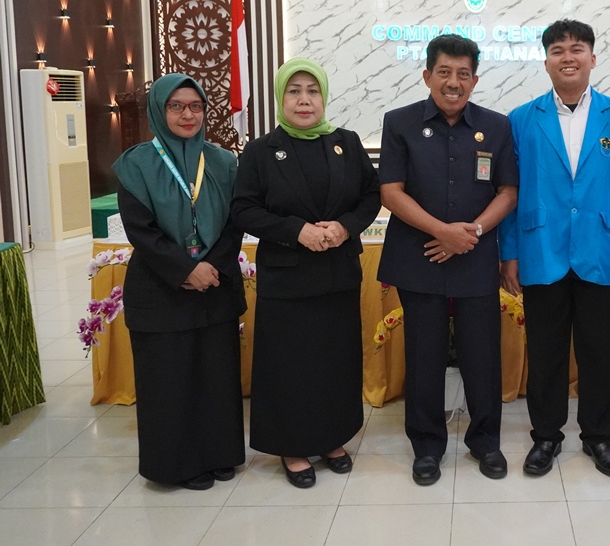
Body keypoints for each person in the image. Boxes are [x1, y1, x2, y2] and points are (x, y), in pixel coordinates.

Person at [499, 19, 610, 478]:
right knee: (546, 352)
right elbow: (509, 192)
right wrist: (508, 253)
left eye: (577, 48)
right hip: (541, 249)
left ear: (592, 59)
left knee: (598, 351)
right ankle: (546, 436)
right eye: (558, 50)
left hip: (603, 249)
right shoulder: (521, 120)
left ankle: (599, 437)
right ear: (545, 62)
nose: (568, 57)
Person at [232, 57, 380, 489]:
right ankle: (292, 446)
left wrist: (344, 227)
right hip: (287, 279)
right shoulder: (260, 151)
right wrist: (296, 231)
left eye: (312, 91)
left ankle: (332, 438)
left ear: (324, 97)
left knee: (334, 361)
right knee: (290, 366)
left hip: (337, 275)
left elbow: (371, 196)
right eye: (294, 91)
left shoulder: (346, 142)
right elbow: (244, 209)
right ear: (281, 98)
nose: (304, 100)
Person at [378, 35, 518, 486]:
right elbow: (390, 192)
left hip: (475, 257)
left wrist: (469, 233)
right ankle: (426, 447)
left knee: (482, 355)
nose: (453, 82)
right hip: (419, 257)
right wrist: (442, 232)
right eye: (444, 72)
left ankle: (486, 442)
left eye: (463, 74)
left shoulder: (496, 127)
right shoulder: (399, 123)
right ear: (427, 76)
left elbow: (508, 192)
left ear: (474, 80)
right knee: (424, 355)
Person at [113, 73, 246, 491]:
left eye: (195, 106)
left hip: (215, 287)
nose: (188, 115)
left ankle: (220, 454)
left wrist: (211, 267)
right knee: (169, 381)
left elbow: (236, 223)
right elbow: (141, 230)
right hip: (161, 290)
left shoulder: (223, 162)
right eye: (176, 106)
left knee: (215, 376)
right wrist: (185, 269)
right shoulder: (136, 165)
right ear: (160, 110)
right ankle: (177, 465)